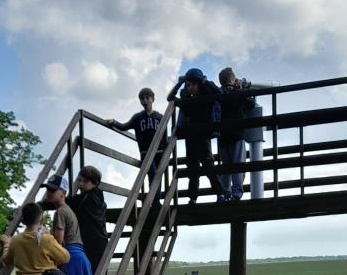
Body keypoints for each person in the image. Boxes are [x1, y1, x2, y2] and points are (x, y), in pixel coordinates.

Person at [67, 164, 114, 275]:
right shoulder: (99, 198)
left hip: (91, 244)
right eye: (79, 181)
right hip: (100, 242)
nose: (80, 184)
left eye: (84, 181)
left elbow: (64, 202)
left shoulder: (86, 199)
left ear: (93, 182)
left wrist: (42, 204)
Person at [167, 68, 222, 202]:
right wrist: (179, 83)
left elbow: (219, 93)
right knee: (192, 169)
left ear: (199, 84)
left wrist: (205, 81)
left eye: (193, 84)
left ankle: (220, 193)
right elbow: (170, 98)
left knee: (208, 166)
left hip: (203, 137)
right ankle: (192, 198)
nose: (190, 87)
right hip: (190, 138)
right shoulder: (186, 100)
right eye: (188, 85)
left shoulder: (207, 97)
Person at [41, 174, 93, 275]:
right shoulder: (67, 210)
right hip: (79, 258)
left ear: (63, 192)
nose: (49, 192)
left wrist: (45, 234)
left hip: (71, 259)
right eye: (48, 189)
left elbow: (58, 242)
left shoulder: (60, 212)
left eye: (53, 190)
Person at [106, 87, 168, 185]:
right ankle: (154, 195)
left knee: (157, 176)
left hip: (159, 152)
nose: (145, 101)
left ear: (153, 99)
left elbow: (164, 136)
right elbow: (124, 126)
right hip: (146, 152)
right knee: (152, 173)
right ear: (140, 101)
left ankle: (155, 195)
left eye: (147, 98)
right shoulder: (138, 117)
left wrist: (166, 151)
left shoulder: (160, 117)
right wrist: (114, 122)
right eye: (142, 99)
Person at [216, 67, 255, 201]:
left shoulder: (218, 94)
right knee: (238, 165)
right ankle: (237, 193)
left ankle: (225, 193)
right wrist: (242, 89)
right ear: (232, 80)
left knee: (225, 166)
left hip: (222, 135)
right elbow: (251, 104)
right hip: (237, 134)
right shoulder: (238, 93)